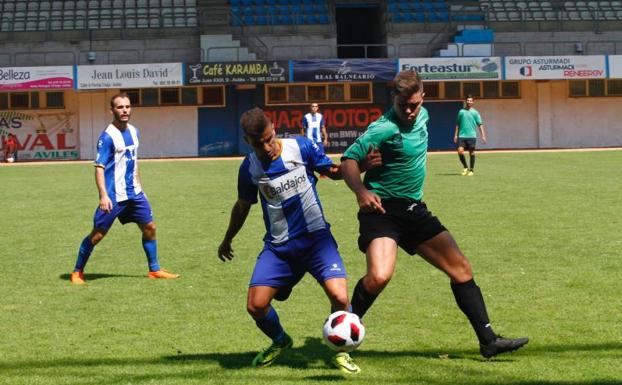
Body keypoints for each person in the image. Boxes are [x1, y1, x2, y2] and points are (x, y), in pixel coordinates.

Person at [340, 70, 528, 359]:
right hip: (382, 210)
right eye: (403, 104)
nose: (409, 111)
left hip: (414, 209)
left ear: (422, 98)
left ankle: (488, 341)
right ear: (395, 98)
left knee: (461, 269)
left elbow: (417, 119)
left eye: (414, 104)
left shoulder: (423, 115)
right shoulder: (383, 127)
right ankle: (345, 325)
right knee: (379, 276)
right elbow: (348, 161)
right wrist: (361, 193)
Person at [218, 107, 379, 374]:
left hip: (317, 241)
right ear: (248, 141)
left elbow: (333, 171)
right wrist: (227, 239)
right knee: (255, 305)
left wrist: (360, 166)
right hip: (279, 249)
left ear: (274, 128)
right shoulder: (249, 168)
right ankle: (281, 341)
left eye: (270, 138)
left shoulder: (302, 147)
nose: (268, 147)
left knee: (340, 297)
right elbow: (243, 205)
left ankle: (340, 352)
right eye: (260, 143)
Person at [69, 93, 179, 285]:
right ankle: (77, 272)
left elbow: (134, 162)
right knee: (97, 235)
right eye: (120, 107)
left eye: (127, 106)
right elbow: (99, 168)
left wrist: (140, 186)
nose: (125, 110)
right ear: (112, 110)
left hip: (134, 193)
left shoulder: (134, 132)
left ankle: (154, 270)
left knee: (150, 227)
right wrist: (103, 196)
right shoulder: (107, 137)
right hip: (114, 196)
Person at [454, 95, 487, 176]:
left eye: (470, 100)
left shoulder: (475, 112)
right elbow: (457, 124)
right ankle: (465, 167)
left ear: (473, 102)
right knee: (460, 151)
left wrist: (483, 135)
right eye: (467, 100)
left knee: (471, 153)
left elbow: (480, 124)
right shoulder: (461, 112)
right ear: (466, 101)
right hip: (462, 136)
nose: (469, 102)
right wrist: (455, 135)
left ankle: (471, 170)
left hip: (472, 136)